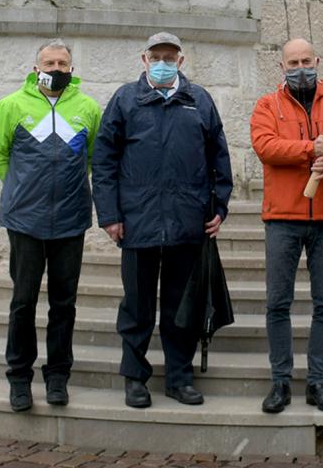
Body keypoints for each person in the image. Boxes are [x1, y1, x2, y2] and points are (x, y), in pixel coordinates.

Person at [91, 32, 233, 409]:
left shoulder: (199, 100)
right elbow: (104, 160)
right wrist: (109, 215)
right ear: (144, 59)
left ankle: (179, 378)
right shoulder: (125, 100)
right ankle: (135, 379)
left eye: (170, 56)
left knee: (179, 309)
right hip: (137, 223)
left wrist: (219, 209)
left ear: (181, 61)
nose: (163, 62)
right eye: (157, 56)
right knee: (136, 308)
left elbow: (219, 159)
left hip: (188, 225)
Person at [249, 38, 323, 414]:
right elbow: (264, 146)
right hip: (283, 217)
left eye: (306, 60)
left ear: (317, 60)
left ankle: (318, 382)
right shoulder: (267, 105)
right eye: (293, 62)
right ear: (281, 66)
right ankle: (280, 382)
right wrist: (310, 149)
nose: (301, 67)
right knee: (277, 303)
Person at [0, 38, 101, 412]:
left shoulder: (87, 108)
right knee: (23, 302)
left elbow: (93, 157)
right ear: (36, 68)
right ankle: (19, 379)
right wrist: (20, 189)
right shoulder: (12, 105)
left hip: (70, 220)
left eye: (62, 63)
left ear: (71, 69)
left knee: (64, 304)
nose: (55, 68)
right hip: (25, 221)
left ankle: (57, 378)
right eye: (48, 62)